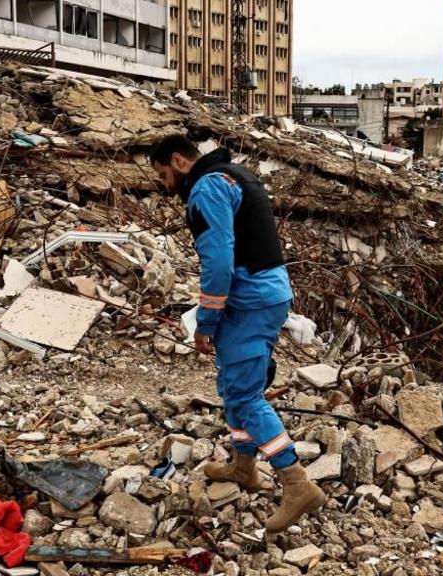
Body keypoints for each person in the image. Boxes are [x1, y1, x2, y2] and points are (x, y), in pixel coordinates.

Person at [149, 135, 325, 533]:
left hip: (249, 301)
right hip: (262, 294)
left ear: (178, 161)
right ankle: (244, 466)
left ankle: (297, 483)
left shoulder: (207, 188)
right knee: (234, 386)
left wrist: (206, 322)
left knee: (244, 395)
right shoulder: (234, 175)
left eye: (163, 175)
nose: (165, 185)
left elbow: (218, 261)